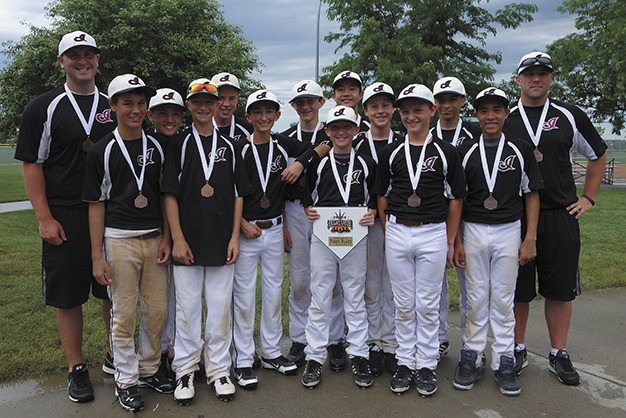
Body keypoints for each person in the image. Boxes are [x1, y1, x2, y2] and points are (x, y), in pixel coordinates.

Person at [14, 30, 115, 403]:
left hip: (109, 215)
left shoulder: (113, 105)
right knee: (68, 296)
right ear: (61, 62)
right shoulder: (43, 106)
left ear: (98, 60)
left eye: (89, 54)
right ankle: (76, 367)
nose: (83, 60)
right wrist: (43, 217)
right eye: (74, 55)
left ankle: (114, 355)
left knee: (112, 292)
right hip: (65, 215)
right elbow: (32, 164)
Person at [504, 52, 607, 386]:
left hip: (560, 214)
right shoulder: (506, 117)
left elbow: (598, 154)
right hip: (517, 217)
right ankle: (517, 348)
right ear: (518, 79)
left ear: (551, 79)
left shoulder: (568, 115)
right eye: (530, 73)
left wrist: (588, 198)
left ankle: (558, 353)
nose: (537, 79)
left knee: (560, 290)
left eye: (543, 73)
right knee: (518, 291)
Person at [83, 74, 175, 411]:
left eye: (140, 104)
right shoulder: (101, 151)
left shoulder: (157, 147)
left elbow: (166, 196)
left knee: (157, 311)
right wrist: (97, 255)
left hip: (153, 239)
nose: (135, 109)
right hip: (119, 241)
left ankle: (150, 368)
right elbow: (96, 204)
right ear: (113, 105)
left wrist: (167, 237)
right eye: (128, 103)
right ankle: (126, 378)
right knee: (123, 314)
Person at [161, 78, 251, 404]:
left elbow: (239, 194)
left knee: (219, 308)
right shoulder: (179, 143)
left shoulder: (230, 145)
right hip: (188, 241)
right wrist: (178, 239)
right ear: (189, 106)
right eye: (196, 102)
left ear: (217, 106)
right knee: (186, 308)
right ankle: (184, 370)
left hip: (221, 240)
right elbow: (170, 194)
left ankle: (218, 369)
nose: (203, 107)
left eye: (209, 102)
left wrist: (234, 237)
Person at [374, 84, 466, 396]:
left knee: (427, 303)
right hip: (399, 229)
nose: (412, 116)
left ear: (432, 110)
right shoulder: (393, 152)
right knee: (402, 303)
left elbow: (456, 199)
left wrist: (450, 240)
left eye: (418, 110)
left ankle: (425, 363)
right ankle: (404, 361)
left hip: (433, 231)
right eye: (406, 111)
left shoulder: (446, 152)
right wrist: (391, 230)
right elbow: (382, 197)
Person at [232, 89, 327, 389]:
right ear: (247, 117)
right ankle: (244, 359)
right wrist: (241, 224)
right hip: (247, 230)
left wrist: (301, 162)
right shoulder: (238, 149)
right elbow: (228, 191)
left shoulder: (283, 144)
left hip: (273, 229)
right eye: (256, 112)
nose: (263, 118)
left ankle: (272, 351)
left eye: (268, 112)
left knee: (273, 293)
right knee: (245, 295)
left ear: (276, 115)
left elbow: (323, 145)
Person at [453, 87, 542, 397]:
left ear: (506, 113)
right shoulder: (465, 152)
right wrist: (458, 240)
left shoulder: (520, 149)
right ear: (476, 115)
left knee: (504, 298)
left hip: (508, 228)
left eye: (496, 110)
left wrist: (530, 237)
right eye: (484, 110)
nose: (490, 116)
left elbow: (532, 194)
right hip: (474, 229)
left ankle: (504, 359)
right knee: (475, 296)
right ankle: (472, 355)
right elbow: (459, 199)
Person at [300, 105, 377, 389]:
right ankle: (314, 356)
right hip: (323, 236)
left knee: (354, 297)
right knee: (320, 296)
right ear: (327, 131)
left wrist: (373, 213)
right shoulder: (317, 163)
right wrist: (308, 207)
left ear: (357, 130)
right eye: (336, 128)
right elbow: (303, 190)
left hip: (355, 236)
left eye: (347, 127)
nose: (341, 132)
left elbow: (376, 196)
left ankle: (358, 353)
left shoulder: (367, 163)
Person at [280, 80, 335, 367]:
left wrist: (304, 160)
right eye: (300, 102)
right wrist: (284, 224)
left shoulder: (333, 131)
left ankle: (334, 339)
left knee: (331, 278)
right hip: (295, 211)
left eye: (310, 100)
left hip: (329, 211)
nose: (305, 106)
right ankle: (300, 339)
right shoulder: (285, 136)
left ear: (321, 102)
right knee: (301, 279)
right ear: (293, 106)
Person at [353, 82, 402, 376]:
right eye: (374, 106)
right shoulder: (357, 142)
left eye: (385, 105)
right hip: (367, 223)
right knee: (371, 284)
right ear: (366, 110)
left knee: (394, 284)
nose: (380, 111)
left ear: (393, 109)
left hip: (397, 221)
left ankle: (393, 344)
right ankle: (373, 342)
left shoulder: (404, 141)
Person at [431, 76, 482, 361]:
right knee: (435, 284)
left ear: (463, 101)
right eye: (442, 100)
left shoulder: (475, 134)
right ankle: (438, 339)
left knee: (469, 285)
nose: (447, 105)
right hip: (436, 219)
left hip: (471, 216)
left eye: (453, 99)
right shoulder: (425, 133)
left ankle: (470, 344)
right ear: (434, 104)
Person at [146, 88, 186, 376]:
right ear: (151, 115)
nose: (169, 119)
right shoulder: (147, 144)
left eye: (174, 113)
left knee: (181, 295)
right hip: (156, 229)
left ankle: (177, 349)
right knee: (157, 297)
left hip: (186, 228)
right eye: (162, 113)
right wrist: (168, 235)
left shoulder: (188, 142)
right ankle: (159, 352)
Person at [210, 72, 253, 141]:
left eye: (231, 98)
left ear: (238, 98)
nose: (226, 104)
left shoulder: (249, 131)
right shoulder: (197, 131)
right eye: (221, 98)